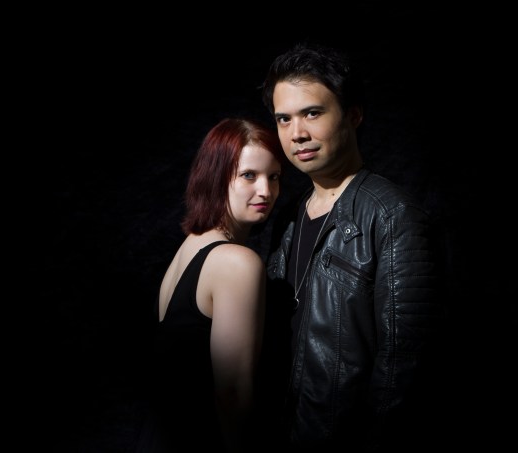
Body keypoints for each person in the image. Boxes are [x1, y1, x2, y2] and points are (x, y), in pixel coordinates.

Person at [260, 42, 446, 451]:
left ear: (353, 115)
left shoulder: (393, 215)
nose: (297, 133)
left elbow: (404, 368)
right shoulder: (288, 216)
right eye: (284, 118)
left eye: (312, 113)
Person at [136, 117, 284, 453]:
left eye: (274, 176)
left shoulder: (189, 247)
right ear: (216, 178)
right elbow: (233, 393)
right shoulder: (236, 262)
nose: (266, 191)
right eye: (249, 175)